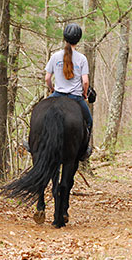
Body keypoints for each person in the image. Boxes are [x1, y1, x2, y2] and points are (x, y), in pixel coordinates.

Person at [44, 23, 93, 161]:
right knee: (89, 121)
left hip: (57, 94)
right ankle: (84, 151)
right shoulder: (82, 58)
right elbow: (85, 82)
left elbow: (47, 78)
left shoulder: (55, 56)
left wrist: (51, 89)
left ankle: (32, 143)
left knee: (38, 112)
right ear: (78, 39)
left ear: (65, 38)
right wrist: (84, 93)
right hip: (75, 98)